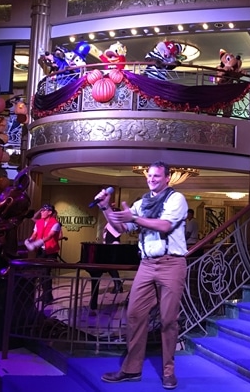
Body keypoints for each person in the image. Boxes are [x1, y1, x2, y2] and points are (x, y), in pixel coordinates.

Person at [97, 161, 188, 390]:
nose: (152, 179)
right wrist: (106, 208)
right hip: (147, 265)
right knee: (135, 314)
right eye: (149, 175)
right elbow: (119, 228)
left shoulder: (176, 199)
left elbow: (165, 226)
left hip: (171, 264)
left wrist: (134, 219)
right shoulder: (142, 202)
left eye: (157, 176)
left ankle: (168, 371)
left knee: (168, 320)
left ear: (167, 178)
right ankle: (131, 369)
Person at [24, 203, 62, 305]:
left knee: (46, 273)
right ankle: (46, 295)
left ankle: (48, 296)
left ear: (49, 212)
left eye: (43, 210)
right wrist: (29, 240)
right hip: (41, 251)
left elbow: (50, 236)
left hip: (50, 251)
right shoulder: (39, 222)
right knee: (40, 274)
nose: (41, 212)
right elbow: (34, 234)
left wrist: (38, 242)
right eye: (41, 210)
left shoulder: (56, 223)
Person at [103, 206, 124, 294]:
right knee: (110, 268)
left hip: (113, 245)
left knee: (112, 267)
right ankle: (118, 284)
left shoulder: (117, 223)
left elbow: (116, 232)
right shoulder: (110, 223)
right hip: (108, 245)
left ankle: (118, 285)